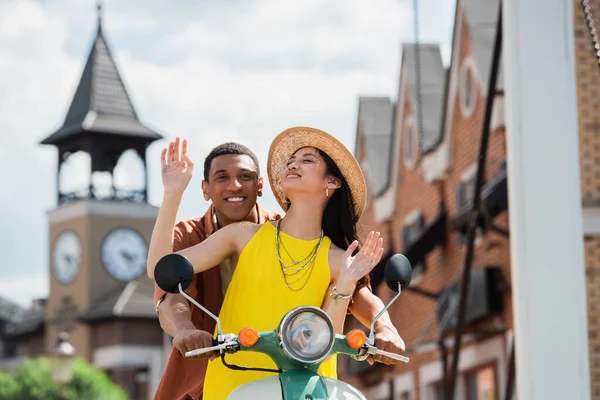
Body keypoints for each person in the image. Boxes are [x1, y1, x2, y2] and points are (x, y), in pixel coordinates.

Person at [151, 137, 404, 400]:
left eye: (306, 160)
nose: (293, 165)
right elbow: (163, 269)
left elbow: (353, 307)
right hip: (233, 376)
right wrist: (172, 194)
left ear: (332, 182)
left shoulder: (342, 259)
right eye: (291, 161)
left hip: (307, 384)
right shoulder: (242, 235)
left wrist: (386, 328)